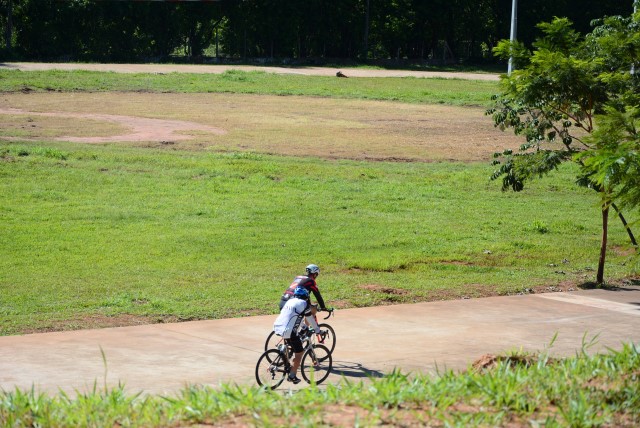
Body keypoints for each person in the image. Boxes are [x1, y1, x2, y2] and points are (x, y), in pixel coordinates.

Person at [273, 286, 320, 384]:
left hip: (277, 327)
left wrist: (303, 326)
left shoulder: (290, 301)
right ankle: (292, 375)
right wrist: (317, 330)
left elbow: (293, 316)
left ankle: (286, 361)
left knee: (290, 344)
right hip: (288, 330)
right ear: (306, 297)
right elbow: (310, 318)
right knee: (299, 353)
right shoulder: (304, 304)